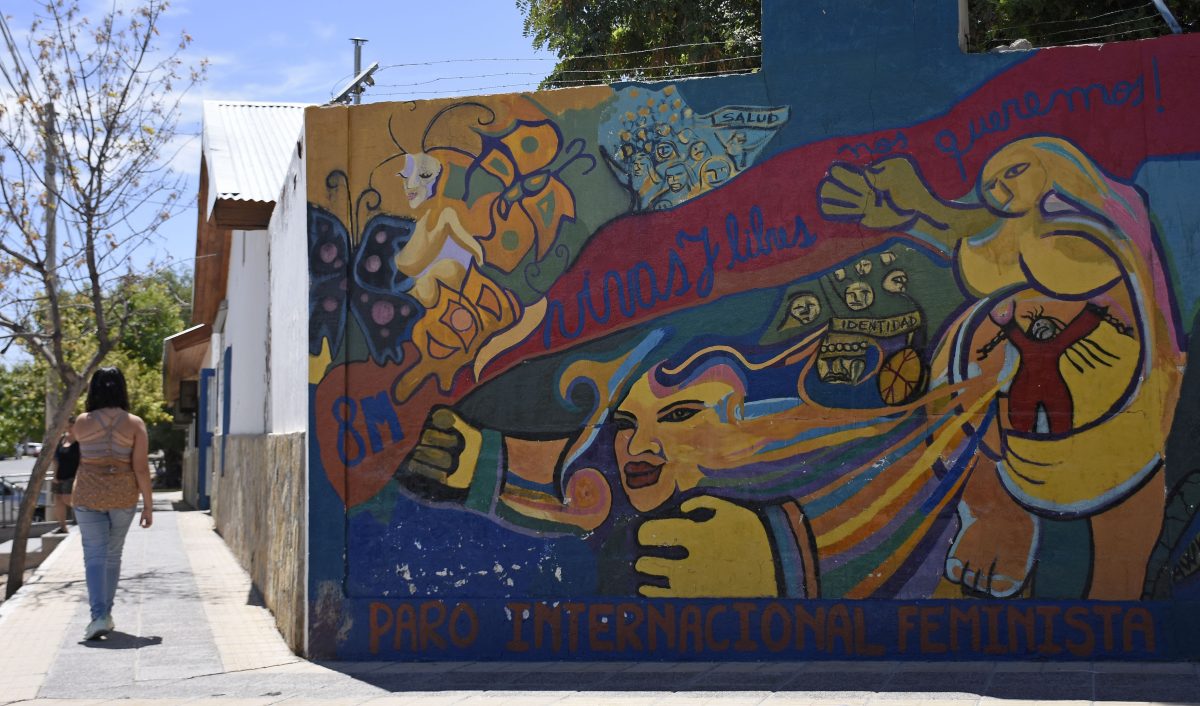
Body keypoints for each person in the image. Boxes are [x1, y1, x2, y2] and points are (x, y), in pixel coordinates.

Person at [70, 367, 153, 640]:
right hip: (123, 496)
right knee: (113, 555)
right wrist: (148, 505)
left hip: (88, 495)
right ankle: (105, 613)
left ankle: (99, 616)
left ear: (93, 389)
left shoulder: (81, 422)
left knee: (94, 556)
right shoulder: (135, 424)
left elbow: (77, 452)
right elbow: (141, 468)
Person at [50, 419, 79, 533]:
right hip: (60, 475)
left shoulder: (80, 441)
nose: (68, 428)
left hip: (73, 475)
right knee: (58, 500)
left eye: (71, 425)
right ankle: (63, 527)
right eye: (67, 426)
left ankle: (88, 516)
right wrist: (54, 476)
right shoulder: (61, 439)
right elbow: (56, 460)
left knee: (67, 499)